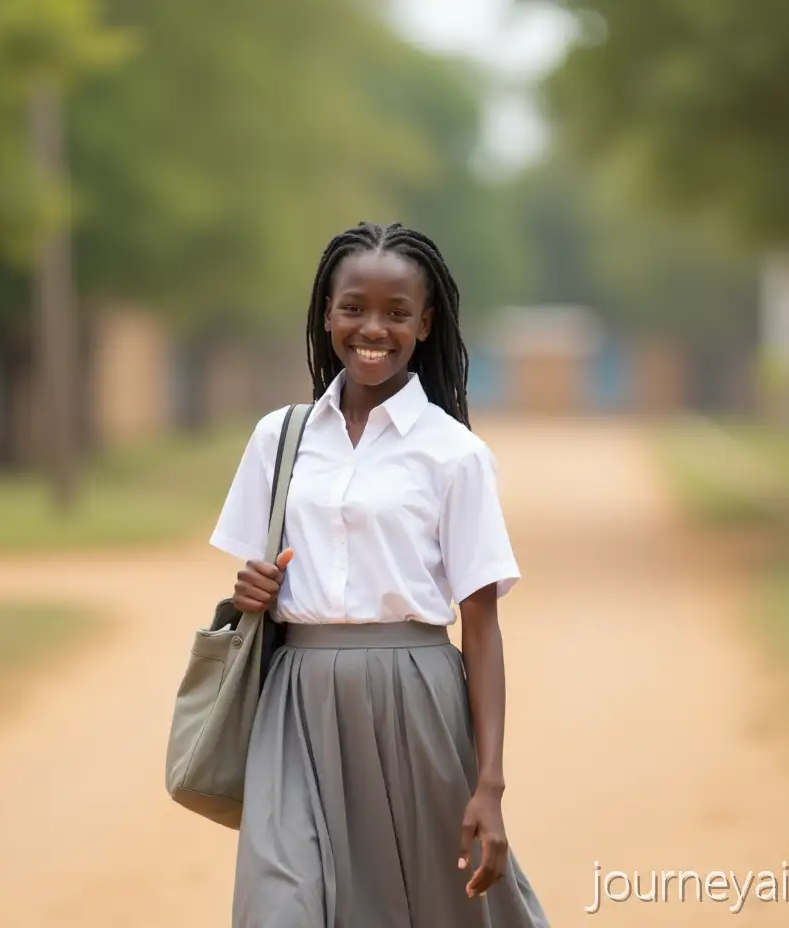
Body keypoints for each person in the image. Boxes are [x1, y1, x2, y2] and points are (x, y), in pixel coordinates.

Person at [209, 220, 550, 928]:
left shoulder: (454, 456)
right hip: (295, 706)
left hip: (415, 702)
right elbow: (256, 577)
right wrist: (252, 593)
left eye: (397, 313)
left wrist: (489, 785)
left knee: (429, 910)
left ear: (425, 324)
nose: (374, 327)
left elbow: (481, 628)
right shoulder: (279, 438)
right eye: (354, 307)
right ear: (326, 313)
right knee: (280, 909)